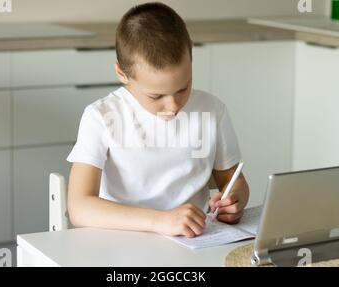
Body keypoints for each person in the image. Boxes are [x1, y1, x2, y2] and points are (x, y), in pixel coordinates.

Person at [67, 2, 249, 238]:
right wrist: (160, 221)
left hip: (194, 243)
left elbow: (234, 182)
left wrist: (235, 201)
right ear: (122, 74)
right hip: (119, 242)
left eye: (183, 88)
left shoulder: (211, 110)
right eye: (156, 96)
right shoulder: (102, 117)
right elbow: (79, 208)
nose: (173, 106)